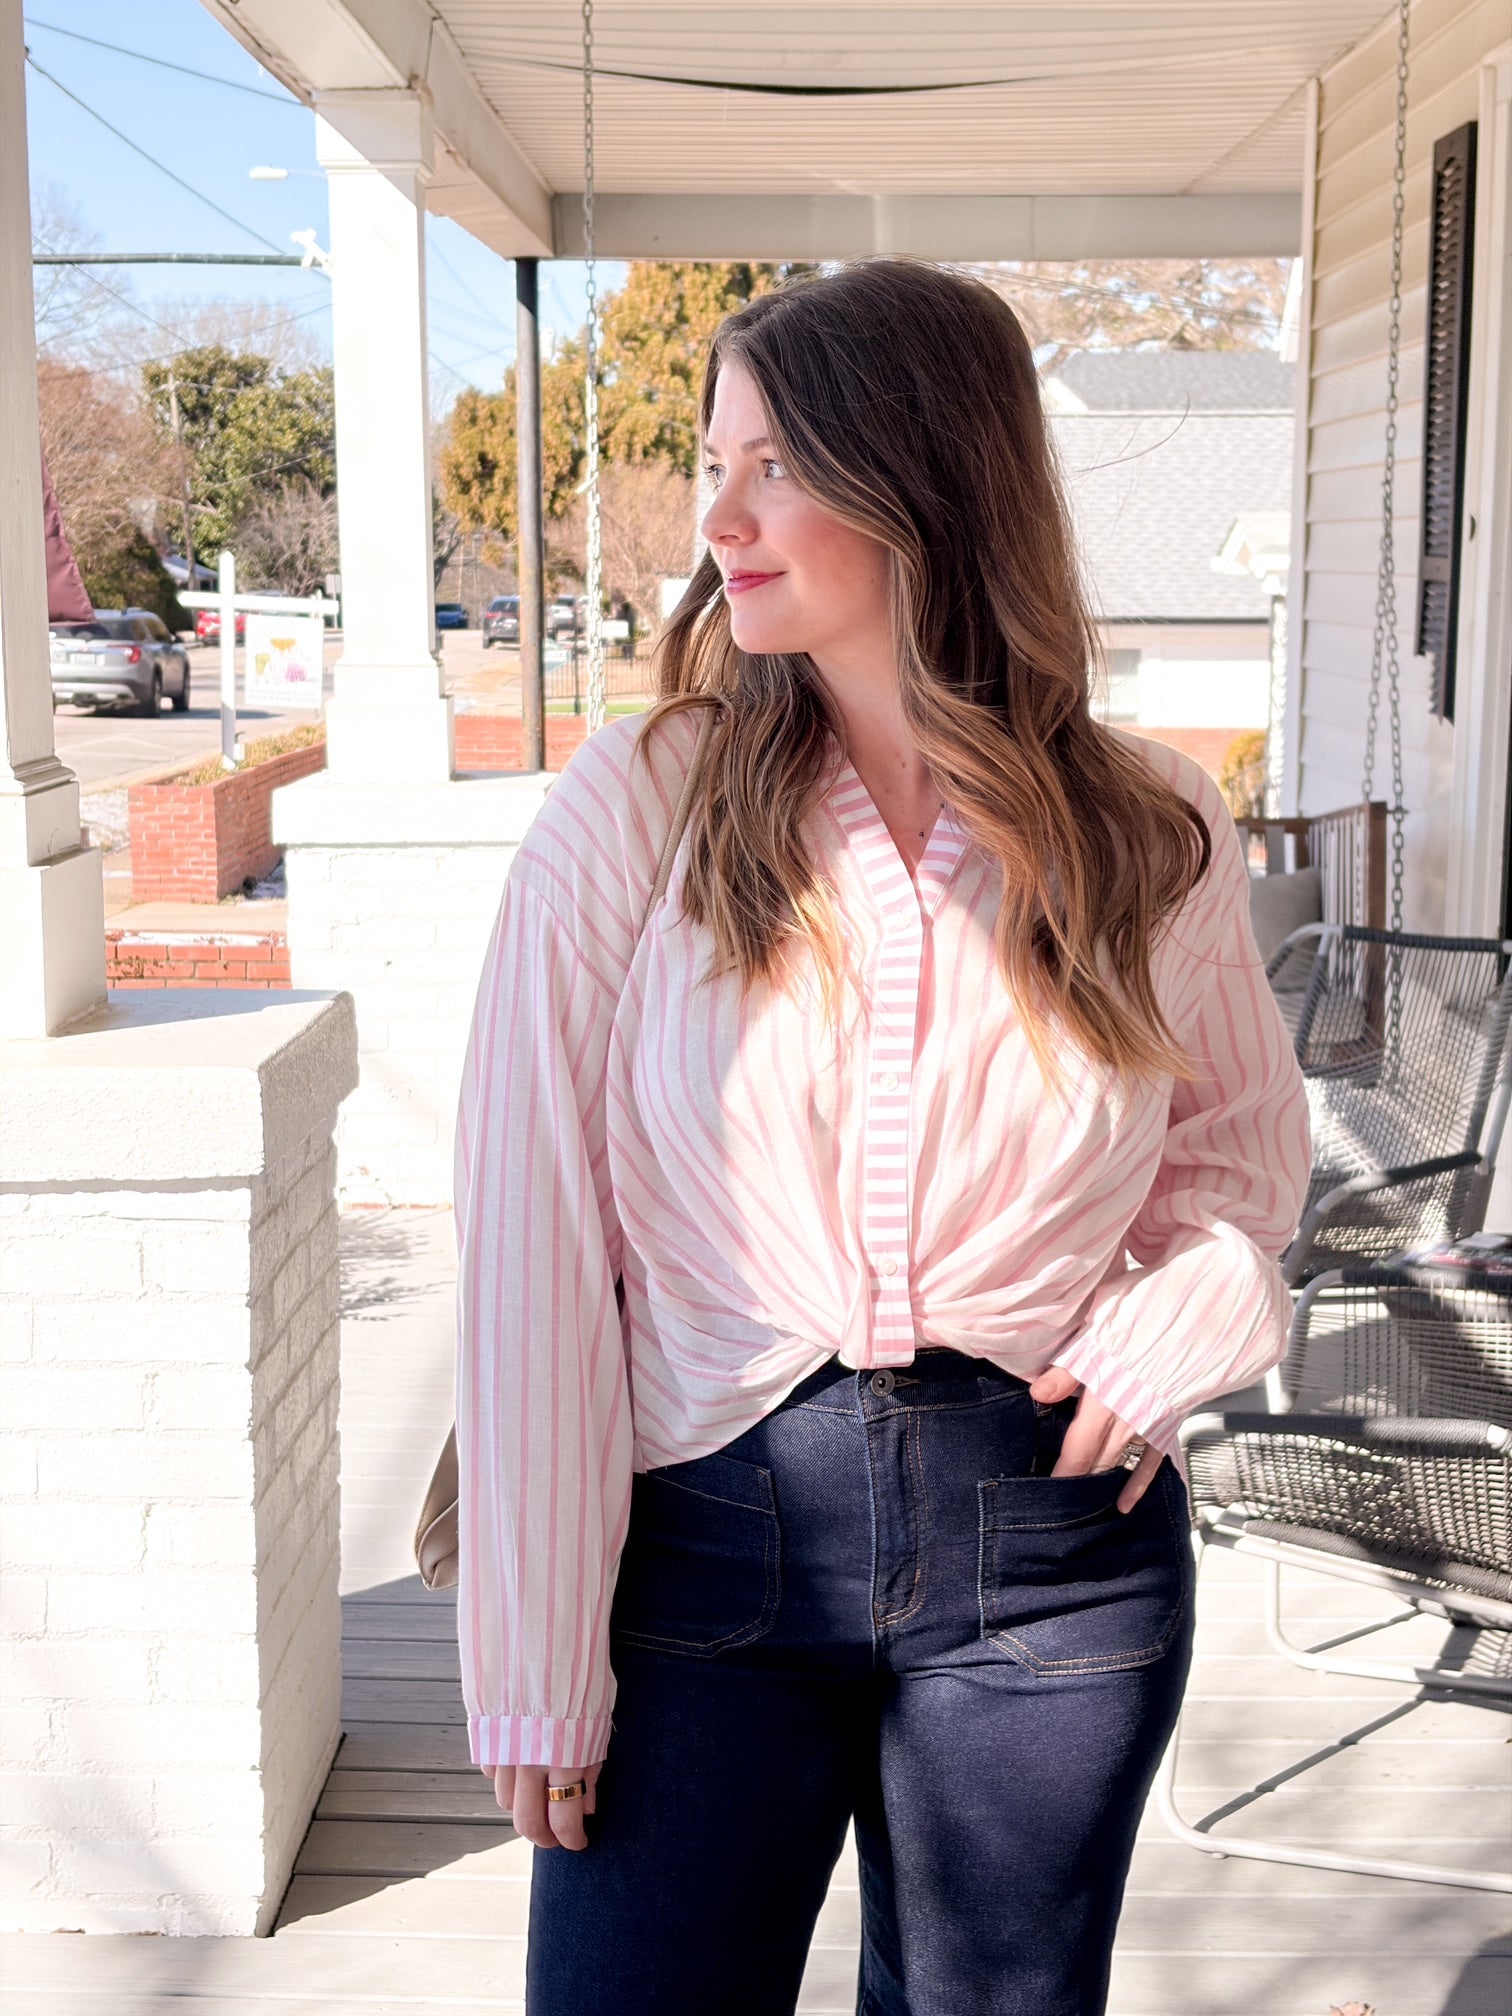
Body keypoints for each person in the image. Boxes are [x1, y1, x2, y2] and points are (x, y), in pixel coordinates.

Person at [453, 260, 1312, 2016]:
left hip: (1051, 1554)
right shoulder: (640, 805)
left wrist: (1187, 1319)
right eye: (716, 463)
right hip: (698, 1540)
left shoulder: (1149, 824)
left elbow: (1236, 1165)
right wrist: (531, 1656)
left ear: (923, 476)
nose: (721, 519)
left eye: (775, 465)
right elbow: (530, 1240)